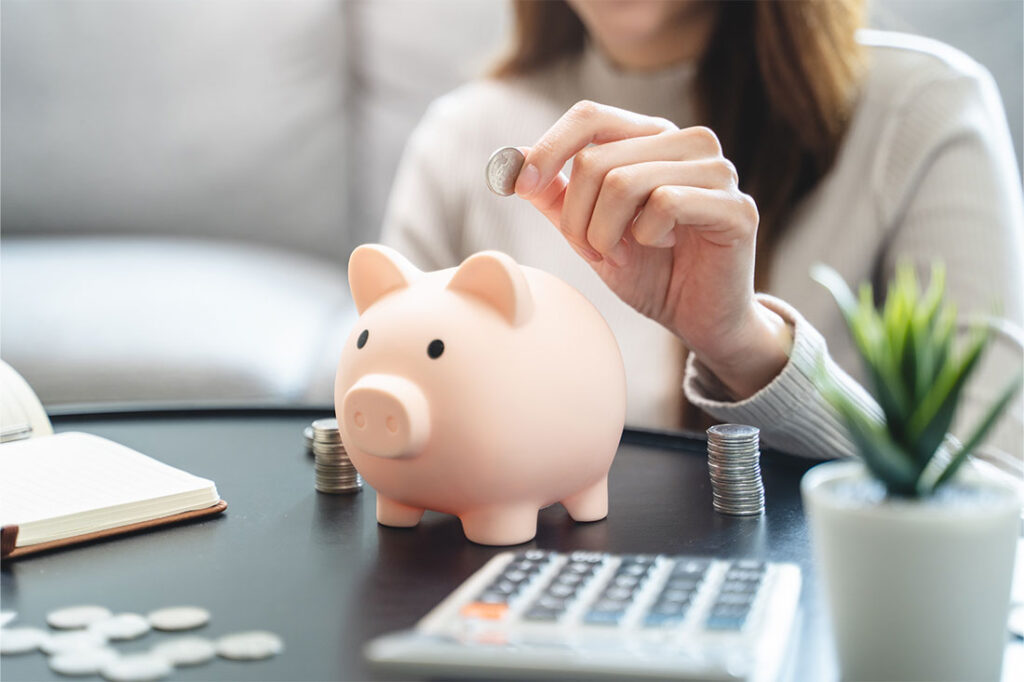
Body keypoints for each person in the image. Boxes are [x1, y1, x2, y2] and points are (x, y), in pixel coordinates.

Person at [382, 0, 1023, 475]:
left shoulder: (925, 111)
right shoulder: (461, 136)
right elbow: (377, 438)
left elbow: (998, 493)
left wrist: (744, 345)